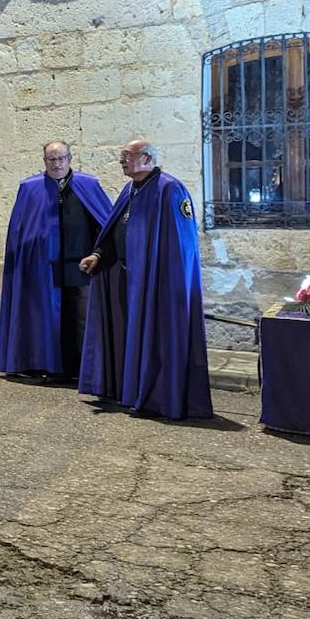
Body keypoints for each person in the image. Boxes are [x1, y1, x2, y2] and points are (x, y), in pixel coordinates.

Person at [78, 138, 213, 419]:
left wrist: (167, 281)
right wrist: (100, 256)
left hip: (158, 284)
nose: (122, 160)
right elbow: (117, 229)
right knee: (131, 338)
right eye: (122, 156)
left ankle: (160, 398)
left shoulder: (170, 189)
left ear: (148, 158)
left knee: (158, 342)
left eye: (128, 155)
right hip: (129, 280)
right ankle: (132, 392)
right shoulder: (130, 189)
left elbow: (182, 246)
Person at [0, 141, 112, 381]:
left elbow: (106, 225)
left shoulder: (88, 185)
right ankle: (47, 366)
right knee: (46, 318)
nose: (57, 163)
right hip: (42, 268)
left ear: (70, 158)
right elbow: (19, 232)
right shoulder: (30, 188)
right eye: (51, 159)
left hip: (80, 266)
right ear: (44, 161)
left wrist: (99, 254)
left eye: (61, 158)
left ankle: (84, 371)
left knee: (81, 318)